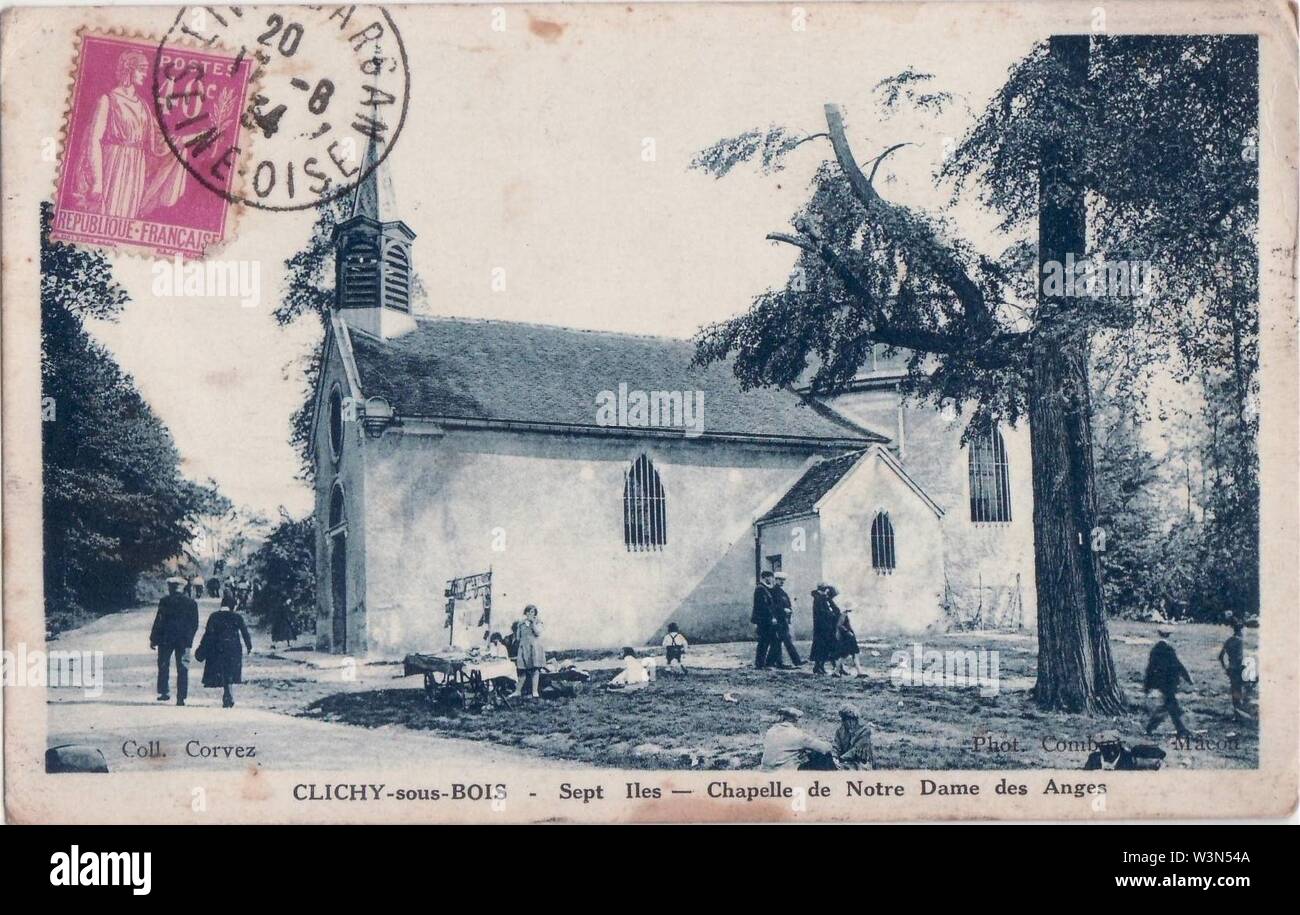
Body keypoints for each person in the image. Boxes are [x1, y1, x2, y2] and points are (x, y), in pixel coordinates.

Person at [195, 597, 253, 708]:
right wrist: (249, 646)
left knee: (222, 670)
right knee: (230, 671)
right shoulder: (237, 617)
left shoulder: (214, 616)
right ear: (233, 606)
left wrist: (201, 649)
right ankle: (228, 693)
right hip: (233, 648)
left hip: (217, 648)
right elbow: (245, 632)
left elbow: (208, 634)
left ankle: (227, 694)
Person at [149, 577, 199, 705]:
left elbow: (158, 621)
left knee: (164, 665)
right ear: (182, 588)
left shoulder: (165, 601)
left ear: (170, 588)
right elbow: (195, 624)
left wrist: (154, 638)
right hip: (183, 640)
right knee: (183, 667)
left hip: (166, 639)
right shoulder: (191, 603)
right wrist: (189, 638)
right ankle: (181, 697)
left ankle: (164, 692)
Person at [1144, 627, 1193, 739]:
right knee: (1170, 706)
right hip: (1169, 683)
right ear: (1169, 635)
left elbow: (1150, 668)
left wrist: (1147, 685)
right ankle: (1180, 729)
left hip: (1160, 683)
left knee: (1169, 706)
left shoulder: (1155, 650)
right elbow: (1178, 665)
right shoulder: (1169, 649)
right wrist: (1187, 678)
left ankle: (1179, 729)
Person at [761, 707, 835, 770]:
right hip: (784, 773)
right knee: (823, 756)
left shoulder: (771, 731)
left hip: (766, 771)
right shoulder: (798, 734)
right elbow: (825, 748)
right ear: (796, 720)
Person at [1217, 620, 1253, 723]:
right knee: (1245, 690)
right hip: (1239, 668)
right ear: (1241, 630)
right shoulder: (1239, 641)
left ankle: (1238, 713)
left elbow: (1220, 656)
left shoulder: (1229, 640)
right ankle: (1242, 714)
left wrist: (1226, 668)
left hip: (1231, 669)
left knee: (1235, 691)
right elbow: (1239, 658)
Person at [767, 572, 803, 668]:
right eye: (780, 580)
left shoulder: (782, 592)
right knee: (786, 641)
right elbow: (773, 606)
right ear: (775, 579)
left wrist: (789, 610)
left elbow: (787, 604)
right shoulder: (773, 591)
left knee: (777, 642)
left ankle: (775, 662)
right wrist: (783, 610)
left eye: (783, 580)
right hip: (778, 620)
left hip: (783, 620)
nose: (782, 582)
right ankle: (797, 661)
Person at [514, 605, 547, 699]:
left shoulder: (538, 623)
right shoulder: (521, 624)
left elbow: (537, 633)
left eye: (532, 612)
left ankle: (535, 691)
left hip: (534, 648)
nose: (530, 614)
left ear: (535, 613)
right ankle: (518, 691)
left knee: (535, 669)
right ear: (525, 613)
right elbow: (518, 637)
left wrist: (533, 623)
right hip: (524, 648)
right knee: (522, 670)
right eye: (528, 612)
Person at [810, 583, 841, 675]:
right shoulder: (818, 599)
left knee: (826, 647)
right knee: (821, 647)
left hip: (827, 627)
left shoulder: (824, 598)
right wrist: (832, 615)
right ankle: (819, 666)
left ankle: (820, 666)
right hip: (822, 628)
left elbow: (835, 610)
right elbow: (822, 613)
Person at [832, 704, 875, 770]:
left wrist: (840, 759)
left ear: (856, 720)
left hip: (861, 763)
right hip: (843, 762)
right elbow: (836, 746)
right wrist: (834, 758)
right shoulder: (840, 731)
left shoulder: (865, 731)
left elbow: (856, 750)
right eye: (847, 719)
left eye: (852, 719)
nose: (850, 722)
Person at [751, 571, 779, 670]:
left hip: (764, 620)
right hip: (764, 620)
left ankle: (762, 664)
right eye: (771, 577)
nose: (772, 580)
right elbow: (764, 606)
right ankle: (765, 664)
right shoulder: (760, 589)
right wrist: (772, 617)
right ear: (766, 578)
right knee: (769, 641)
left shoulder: (763, 588)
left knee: (766, 641)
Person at [833, 605, 863, 677]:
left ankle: (859, 672)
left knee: (847, 655)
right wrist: (848, 632)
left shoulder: (844, 614)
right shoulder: (844, 614)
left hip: (848, 637)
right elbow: (839, 625)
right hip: (848, 637)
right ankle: (859, 672)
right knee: (850, 654)